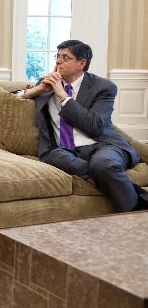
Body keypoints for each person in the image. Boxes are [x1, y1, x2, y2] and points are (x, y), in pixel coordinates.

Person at [21, 39, 147, 212]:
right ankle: (133, 193)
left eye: (65, 57)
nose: (58, 61)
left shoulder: (104, 87)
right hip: (64, 151)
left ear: (82, 63)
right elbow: (15, 95)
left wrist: (62, 95)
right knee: (53, 157)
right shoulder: (46, 83)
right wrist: (38, 90)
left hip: (102, 144)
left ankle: (133, 214)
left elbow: (94, 126)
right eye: (57, 56)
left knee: (103, 165)